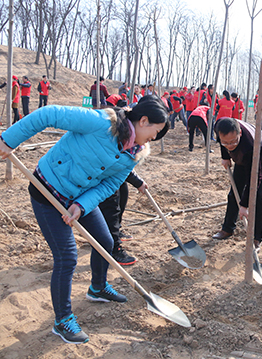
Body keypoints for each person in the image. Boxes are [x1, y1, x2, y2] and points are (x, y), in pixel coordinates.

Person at [0, 95, 169, 344]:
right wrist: (8, 140)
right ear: (143, 121)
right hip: (47, 189)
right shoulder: (101, 122)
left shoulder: (134, 153)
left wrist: (82, 205)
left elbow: (111, 183)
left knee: (105, 241)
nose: (153, 139)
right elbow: (48, 114)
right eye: (154, 132)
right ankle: (63, 320)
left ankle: (98, 288)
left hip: (78, 196)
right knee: (67, 257)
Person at [212, 118, 262, 252]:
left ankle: (257, 238)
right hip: (241, 157)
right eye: (226, 143)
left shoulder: (250, 145)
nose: (230, 145)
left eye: (233, 141)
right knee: (234, 192)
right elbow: (222, 142)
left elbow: (254, 178)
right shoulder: (219, 126)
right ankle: (227, 229)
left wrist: (244, 205)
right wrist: (225, 156)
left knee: (257, 196)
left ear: (239, 133)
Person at [99, 171, 147, 265]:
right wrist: (137, 182)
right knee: (110, 203)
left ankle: (115, 231)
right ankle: (113, 248)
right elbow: (118, 162)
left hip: (113, 167)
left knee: (122, 189)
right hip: (104, 169)